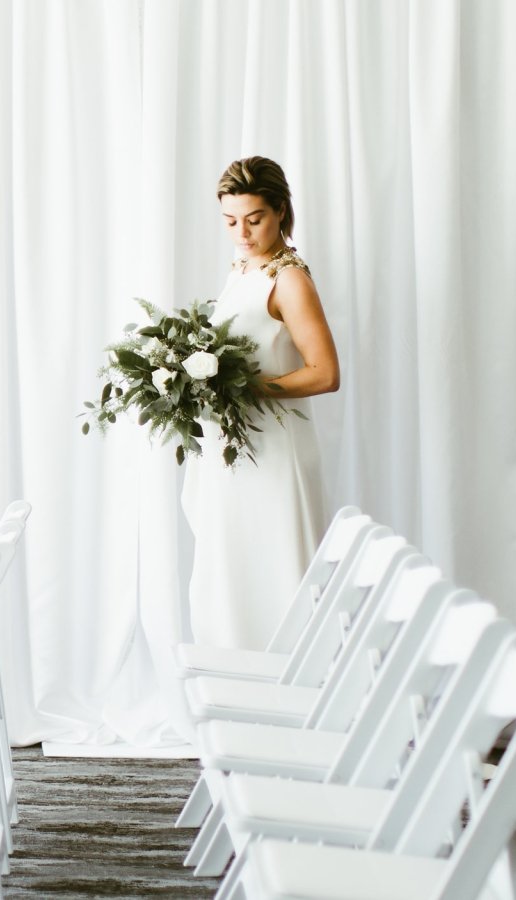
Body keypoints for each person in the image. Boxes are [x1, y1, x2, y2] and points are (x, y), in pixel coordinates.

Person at [180, 156, 339, 650]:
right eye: (231, 221)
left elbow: (326, 373)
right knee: (234, 577)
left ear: (281, 212)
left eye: (255, 220)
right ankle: (240, 697)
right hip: (238, 452)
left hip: (274, 453)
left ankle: (295, 702)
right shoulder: (245, 267)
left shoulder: (288, 279)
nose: (243, 233)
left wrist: (247, 389)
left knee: (277, 577)